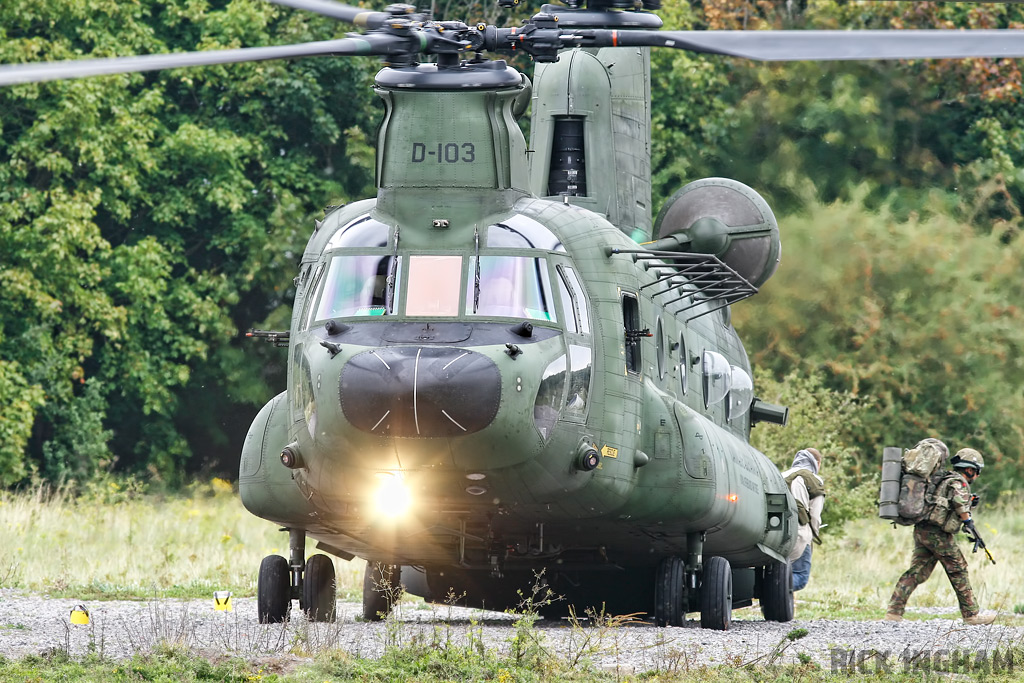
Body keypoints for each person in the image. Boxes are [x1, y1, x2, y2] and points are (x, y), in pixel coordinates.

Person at [885, 446, 996, 625]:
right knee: (958, 569)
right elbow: (959, 503)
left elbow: (946, 503)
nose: (977, 476)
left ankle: (893, 612)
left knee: (917, 572)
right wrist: (968, 520)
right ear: (970, 469)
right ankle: (971, 615)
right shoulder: (958, 482)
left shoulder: (943, 478)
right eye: (977, 472)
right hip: (937, 534)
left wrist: (970, 504)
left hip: (922, 529)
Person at [782, 448, 825, 591]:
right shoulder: (813, 480)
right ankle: (771, 589)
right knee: (799, 577)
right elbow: (815, 516)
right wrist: (813, 535)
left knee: (777, 572)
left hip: (776, 533)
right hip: (800, 533)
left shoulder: (782, 475)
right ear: (817, 463)